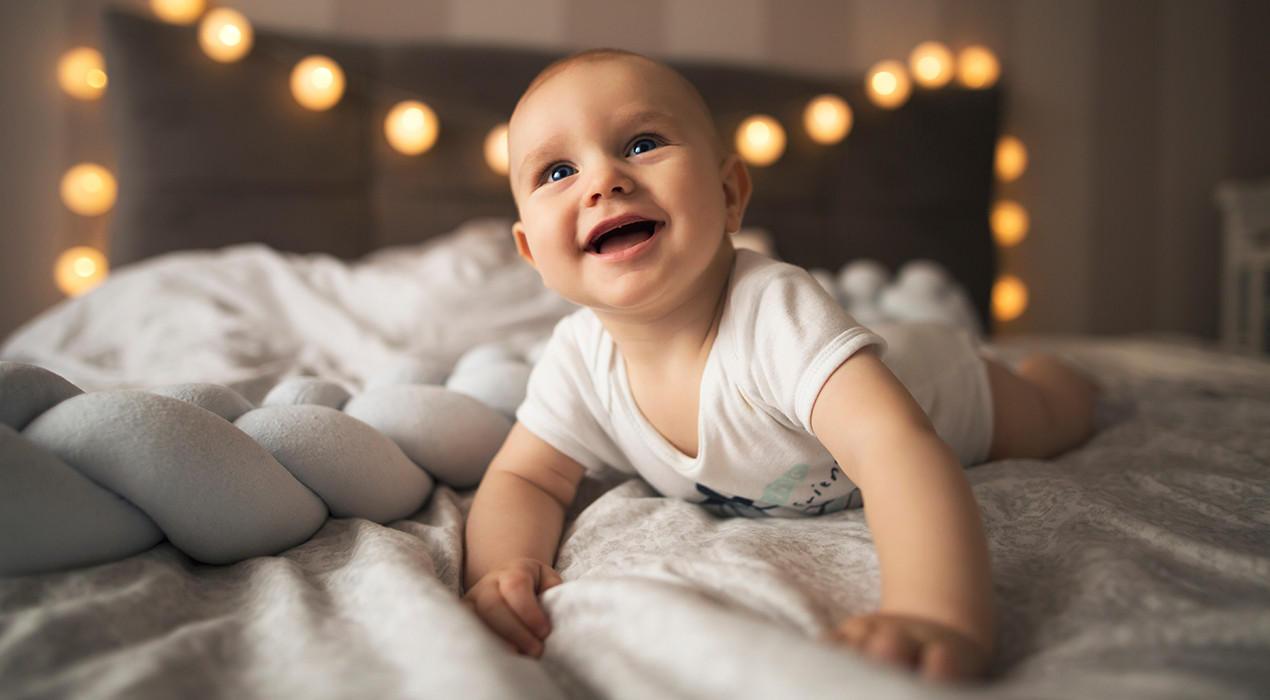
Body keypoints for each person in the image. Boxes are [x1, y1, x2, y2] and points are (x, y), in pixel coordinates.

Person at [461, 49, 1097, 682]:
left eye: (642, 143)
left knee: (1054, 415)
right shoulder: (577, 361)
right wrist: (500, 570)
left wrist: (936, 613)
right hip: (857, 374)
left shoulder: (770, 312)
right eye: (557, 171)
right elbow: (527, 479)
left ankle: (1056, 373)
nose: (604, 181)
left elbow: (892, 445)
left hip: (949, 391)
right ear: (530, 253)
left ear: (730, 193)